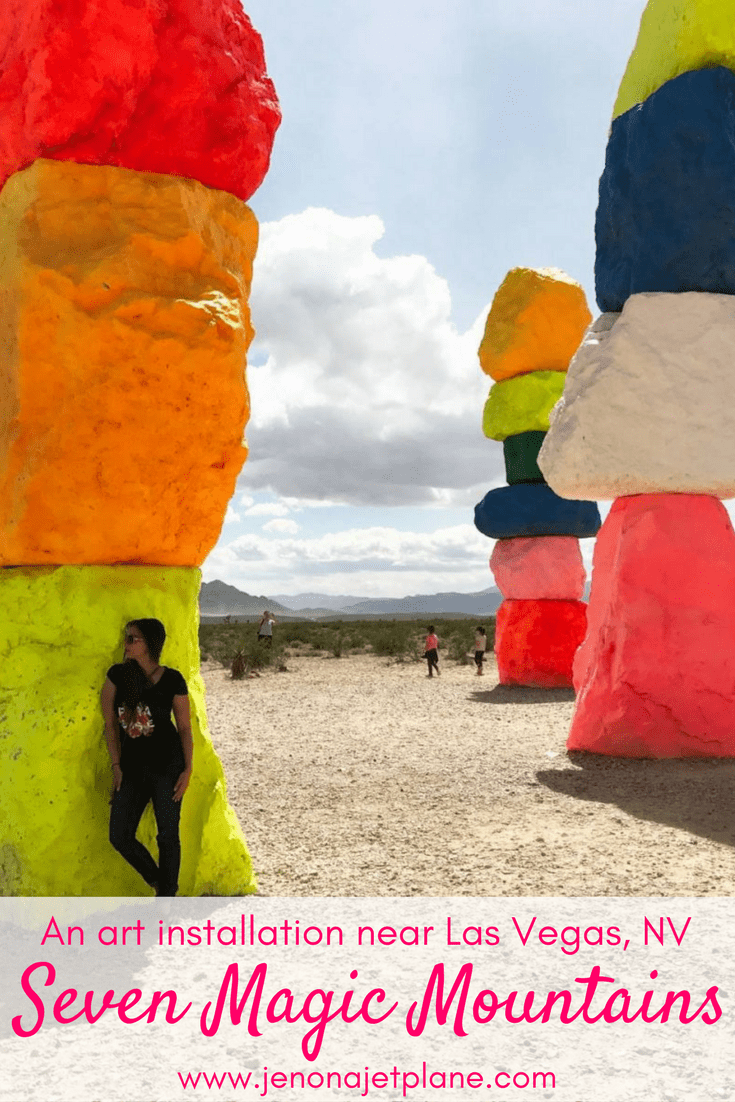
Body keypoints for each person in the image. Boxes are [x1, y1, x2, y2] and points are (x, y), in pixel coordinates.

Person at [101, 618, 193, 896]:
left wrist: (188, 769)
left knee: (168, 835)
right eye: (126, 638)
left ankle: (167, 896)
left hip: (168, 765)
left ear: (150, 643)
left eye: (133, 639)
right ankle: (157, 880)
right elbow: (110, 725)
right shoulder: (117, 675)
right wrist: (116, 765)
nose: (126, 644)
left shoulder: (173, 679)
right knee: (119, 835)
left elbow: (185, 727)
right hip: (131, 767)